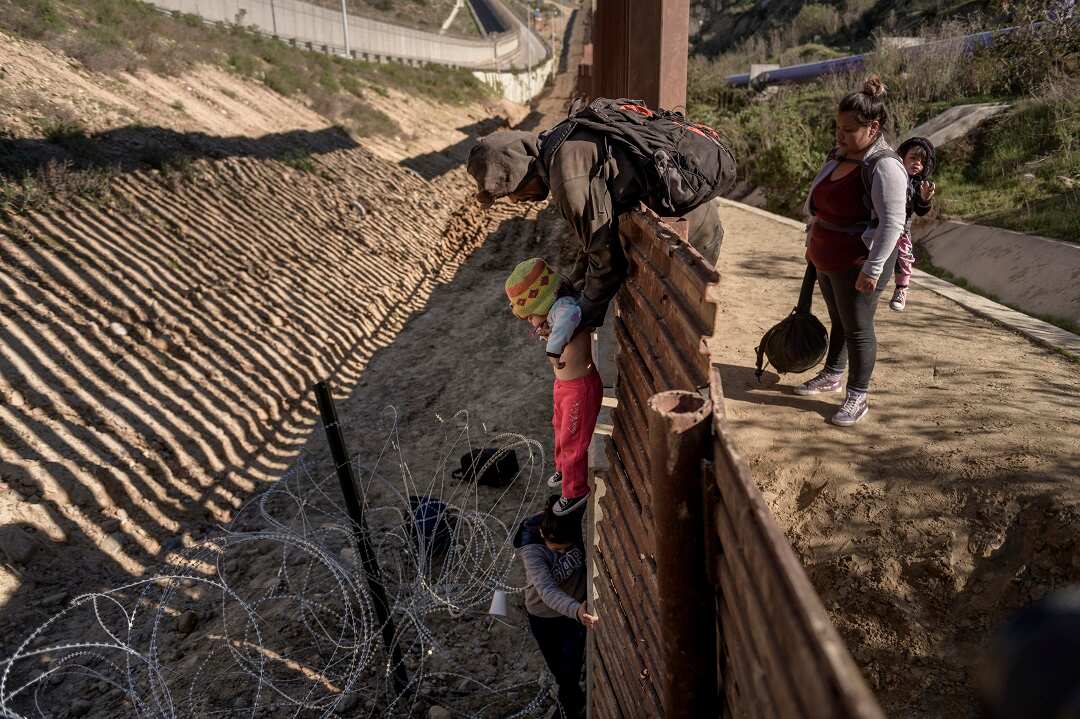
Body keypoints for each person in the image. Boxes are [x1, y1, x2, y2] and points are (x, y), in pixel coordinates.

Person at [467, 126, 726, 332]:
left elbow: (606, 259)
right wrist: (574, 286)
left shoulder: (567, 178)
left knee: (681, 328)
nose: (513, 200)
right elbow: (594, 240)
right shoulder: (560, 146)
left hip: (691, 227)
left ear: (521, 170)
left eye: (509, 190)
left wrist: (579, 317)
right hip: (684, 216)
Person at [794, 76, 908, 427]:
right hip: (827, 255)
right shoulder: (840, 156)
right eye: (837, 128)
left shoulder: (885, 166)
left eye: (848, 129)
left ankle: (858, 396)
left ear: (873, 128)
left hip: (859, 260)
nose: (840, 135)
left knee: (858, 327)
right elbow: (820, 201)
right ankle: (832, 374)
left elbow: (892, 223)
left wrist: (873, 270)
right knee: (840, 319)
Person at [505, 258, 601, 516]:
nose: (530, 321)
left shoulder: (564, 308)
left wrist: (553, 346)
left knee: (573, 439)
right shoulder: (554, 313)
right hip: (565, 386)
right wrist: (546, 329)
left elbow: (569, 318)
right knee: (559, 427)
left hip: (579, 389)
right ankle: (564, 469)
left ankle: (575, 491)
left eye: (530, 315)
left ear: (542, 301)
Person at [513, 495, 598, 719]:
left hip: (573, 616)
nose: (561, 553)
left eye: (566, 548)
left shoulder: (570, 523)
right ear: (542, 534)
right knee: (560, 670)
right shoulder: (531, 550)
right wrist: (577, 610)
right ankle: (572, 701)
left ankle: (569, 706)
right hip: (544, 617)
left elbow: (579, 493)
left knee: (570, 666)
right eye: (556, 549)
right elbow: (547, 592)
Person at [889, 137, 937, 311]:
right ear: (902, 157)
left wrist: (924, 199)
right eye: (913, 158)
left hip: (902, 230)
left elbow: (921, 210)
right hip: (881, 226)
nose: (917, 163)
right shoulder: (890, 175)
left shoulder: (920, 185)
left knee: (904, 259)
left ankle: (901, 290)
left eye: (922, 161)